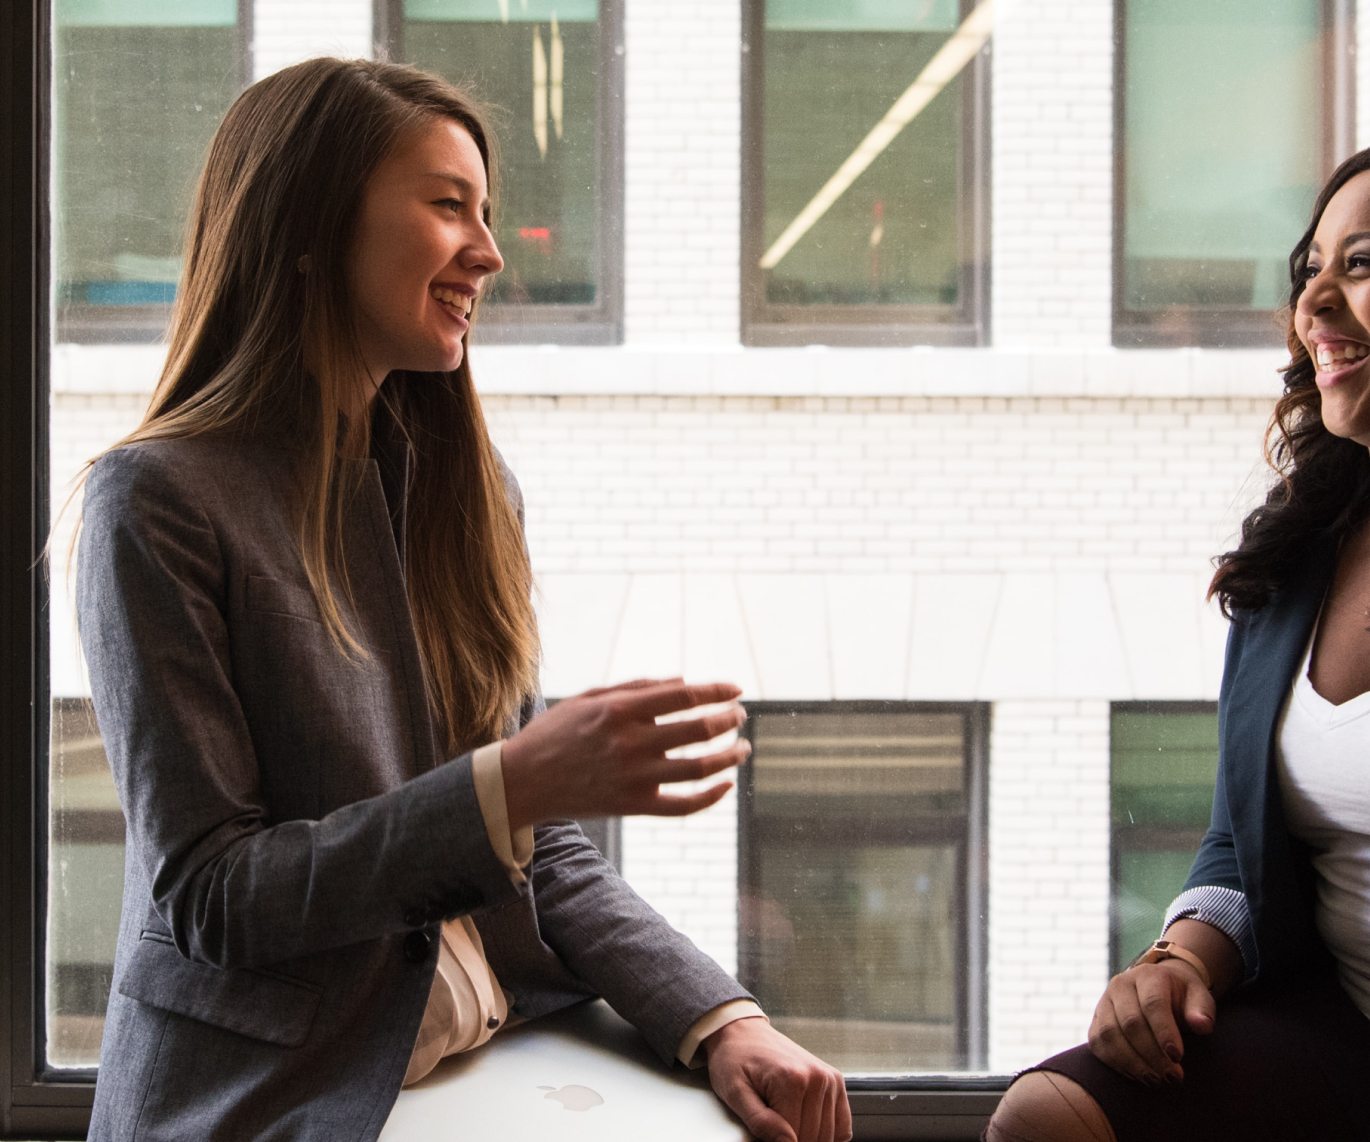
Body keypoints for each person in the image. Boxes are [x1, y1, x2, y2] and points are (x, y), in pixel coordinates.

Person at [74, 57, 851, 1142]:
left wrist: (721, 1017)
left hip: (483, 1059)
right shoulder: (155, 502)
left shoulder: (466, 494)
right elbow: (214, 895)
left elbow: (542, 844)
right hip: (269, 1092)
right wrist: (508, 783)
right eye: (448, 206)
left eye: (484, 213)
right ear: (309, 222)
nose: (488, 252)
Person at [984, 150, 1370, 1142]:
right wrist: (1176, 961)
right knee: (1043, 1115)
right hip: (1343, 1027)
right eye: (1305, 271)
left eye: (1360, 263)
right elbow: (1241, 845)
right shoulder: (1296, 554)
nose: (1315, 303)